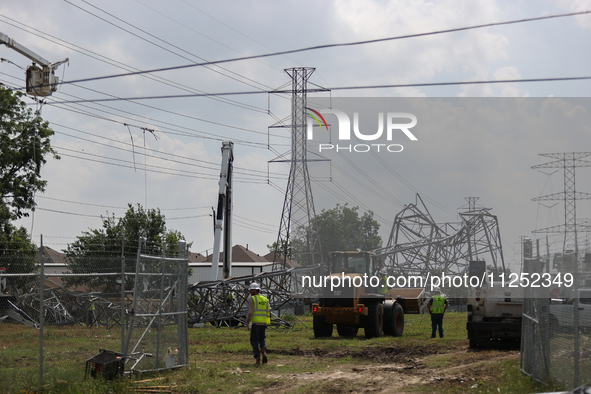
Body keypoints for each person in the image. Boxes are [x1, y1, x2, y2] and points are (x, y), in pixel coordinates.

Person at [246, 282, 270, 365]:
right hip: (263, 323)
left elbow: (251, 311)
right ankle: (264, 351)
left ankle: (257, 358)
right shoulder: (265, 299)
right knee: (262, 339)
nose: (250, 293)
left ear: (254, 291)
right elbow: (268, 311)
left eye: (251, 291)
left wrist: (248, 320)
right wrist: (267, 322)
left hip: (255, 323)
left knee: (254, 341)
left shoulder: (253, 299)